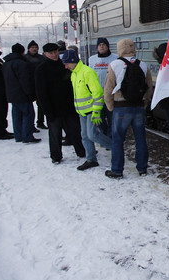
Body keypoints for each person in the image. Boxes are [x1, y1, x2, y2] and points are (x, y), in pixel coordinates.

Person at [103, 38, 152, 178]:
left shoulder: (114, 65)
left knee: (118, 140)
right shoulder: (143, 65)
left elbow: (108, 89)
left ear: (119, 49)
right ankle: (142, 168)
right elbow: (148, 87)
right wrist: (144, 103)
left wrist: (110, 106)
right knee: (140, 139)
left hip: (121, 108)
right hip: (138, 107)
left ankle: (117, 170)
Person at [35, 42, 85, 164]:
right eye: (51, 53)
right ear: (45, 54)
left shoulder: (65, 66)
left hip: (69, 106)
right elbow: (41, 93)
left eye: (56, 52)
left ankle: (81, 151)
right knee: (55, 133)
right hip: (53, 107)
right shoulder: (41, 69)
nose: (54, 55)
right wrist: (47, 111)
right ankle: (56, 156)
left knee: (75, 131)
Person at [62, 49, 112, 171]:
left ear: (73, 61)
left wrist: (96, 111)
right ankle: (91, 159)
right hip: (82, 112)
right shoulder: (74, 73)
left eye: (67, 63)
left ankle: (115, 146)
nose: (65, 66)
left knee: (93, 135)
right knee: (85, 136)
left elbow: (98, 93)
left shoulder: (87, 72)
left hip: (92, 111)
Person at [2, 43, 40, 143]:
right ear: (22, 52)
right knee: (28, 114)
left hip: (11, 94)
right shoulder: (22, 64)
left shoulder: (6, 63)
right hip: (22, 94)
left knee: (16, 115)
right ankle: (27, 136)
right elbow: (25, 81)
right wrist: (30, 94)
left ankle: (18, 135)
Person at [88, 37, 118, 136]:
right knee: (99, 120)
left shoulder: (115, 58)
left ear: (107, 46)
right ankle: (105, 135)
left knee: (112, 119)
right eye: (99, 45)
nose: (101, 46)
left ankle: (110, 138)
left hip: (111, 94)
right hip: (97, 96)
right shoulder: (92, 59)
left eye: (103, 44)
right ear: (97, 47)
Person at [25, 40, 47, 130]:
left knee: (41, 105)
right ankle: (31, 124)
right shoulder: (25, 58)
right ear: (29, 49)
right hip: (29, 84)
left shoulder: (42, 58)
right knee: (28, 107)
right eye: (32, 47)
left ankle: (40, 122)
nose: (34, 49)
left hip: (40, 84)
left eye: (35, 47)